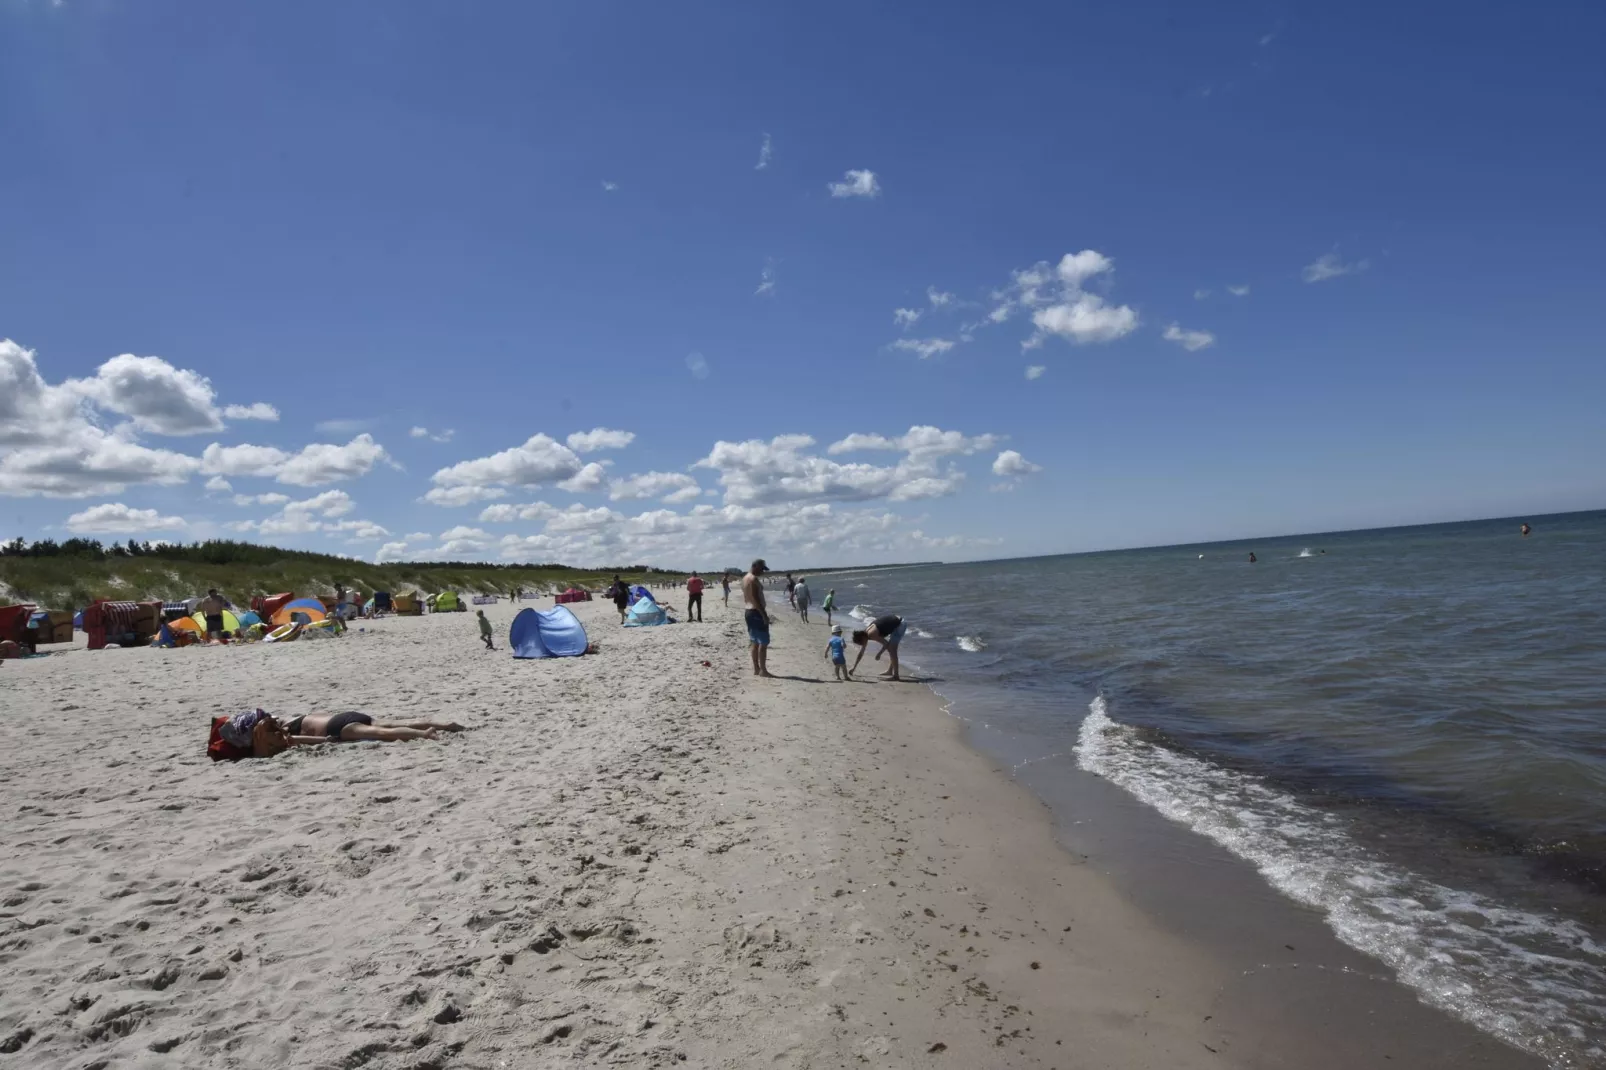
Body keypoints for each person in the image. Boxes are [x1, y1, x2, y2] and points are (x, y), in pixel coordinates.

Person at [850, 613, 908, 681]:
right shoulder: (865, 633)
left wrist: (879, 654)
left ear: (862, 638)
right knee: (891, 649)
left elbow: (886, 644)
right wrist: (854, 667)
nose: (861, 644)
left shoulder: (871, 634)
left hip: (900, 624)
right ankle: (890, 671)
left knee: (892, 650)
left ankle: (896, 676)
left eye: (861, 643)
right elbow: (861, 653)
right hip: (894, 621)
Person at [742, 558, 773, 678]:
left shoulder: (744, 578)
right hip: (756, 612)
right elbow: (755, 599)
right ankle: (763, 670)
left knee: (754, 641)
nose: (763, 572)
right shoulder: (753, 579)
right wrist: (764, 615)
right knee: (763, 642)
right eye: (762, 569)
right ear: (755, 566)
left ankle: (756, 668)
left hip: (748, 611)